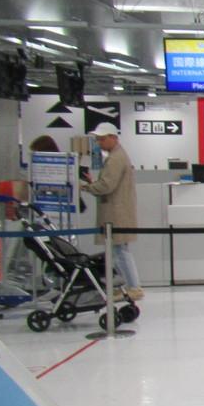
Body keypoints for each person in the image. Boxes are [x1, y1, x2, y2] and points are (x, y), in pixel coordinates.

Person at [80, 123, 143, 301]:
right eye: (98, 139)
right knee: (119, 250)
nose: (99, 143)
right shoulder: (117, 156)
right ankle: (130, 286)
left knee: (121, 250)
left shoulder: (116, 158)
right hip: (118, 210)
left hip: (117, 212)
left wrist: (85, 187)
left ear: (113, 137)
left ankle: (134, 287)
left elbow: (107, 186)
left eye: (102, 139)